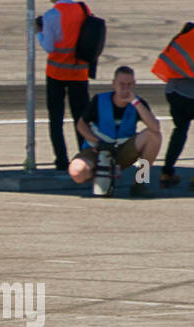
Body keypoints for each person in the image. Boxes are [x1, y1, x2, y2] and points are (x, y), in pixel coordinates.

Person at [68, 66, 163, 197]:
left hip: (121, 152)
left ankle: (140, 182)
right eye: (122, 84)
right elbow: (81, 125)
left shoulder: (138, 103)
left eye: (129, 84)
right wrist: (97, 143)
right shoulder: (99, 100)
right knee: (77, 172)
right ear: (114, 84)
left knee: (154, 136)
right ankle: (99, 174)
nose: (125, 89)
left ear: (134, 84)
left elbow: (155, 127)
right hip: (97, 150)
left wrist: (135, 102)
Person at [37, 2, 94, 170]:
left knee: (56, 119)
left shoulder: (51, 15)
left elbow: (49, 46)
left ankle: (61, 160)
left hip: (57, 73)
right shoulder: (83, 9)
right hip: (79, 72)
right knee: (82, 119)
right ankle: (85, 156)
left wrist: (38, 33)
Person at [153, 21, 194, 188]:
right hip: (190, 95)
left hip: (173, 93)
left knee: (180, 131)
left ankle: (167, 172)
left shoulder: (181, 38)